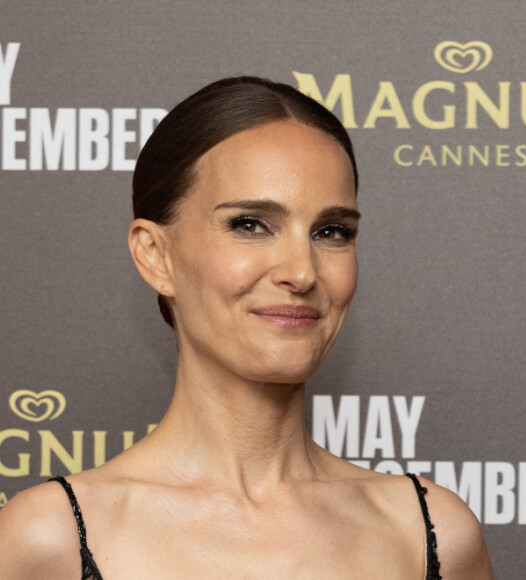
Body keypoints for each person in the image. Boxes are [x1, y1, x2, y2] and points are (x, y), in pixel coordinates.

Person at [0, 77, 493, 579]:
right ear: (156, 255)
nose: (302, 272)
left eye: (331, 232)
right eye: (250, 225)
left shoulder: (432, 531)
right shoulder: (46, 539)